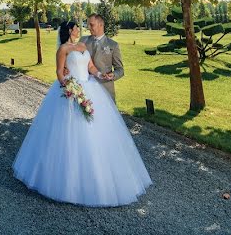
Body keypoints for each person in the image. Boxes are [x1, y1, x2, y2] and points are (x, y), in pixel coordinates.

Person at [12, 21, 152, 207]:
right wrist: (69, 87)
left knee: (96, 130)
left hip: (91, 88)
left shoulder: (83, 45)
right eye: (77, 28)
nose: (80, 30)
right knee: (68, 133)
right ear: (70, 30)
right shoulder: (63, 49)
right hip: (71, 91)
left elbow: (91, 67)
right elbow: (59, 73)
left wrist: (102, 75)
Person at [81, 13, 124, 101]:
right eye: (88, 24)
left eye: (91, 24)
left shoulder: (113, 45)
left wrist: (113, 75)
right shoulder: (83, 41)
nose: (88, 27)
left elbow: (120, 70)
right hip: (85, 90)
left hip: (105, 90)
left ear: (101, 25)